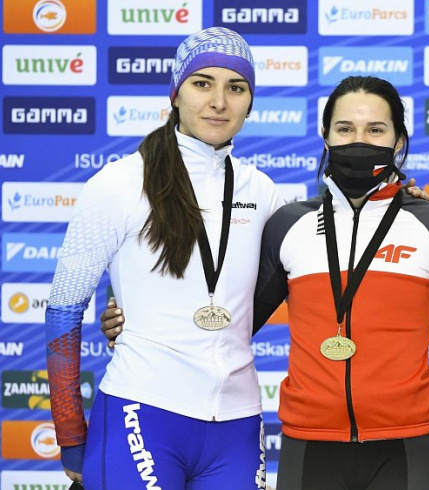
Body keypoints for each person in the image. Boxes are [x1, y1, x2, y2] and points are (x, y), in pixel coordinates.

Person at [99, 76, 429, 490]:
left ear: (399, 141)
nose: (359, 140)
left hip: (410, 443)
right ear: (325, 137)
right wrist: (139, 325)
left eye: (375, 129)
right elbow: (230, 321)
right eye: (345, 129)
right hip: (310, 447)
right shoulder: (289, 223)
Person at [45, 27, 282, 489]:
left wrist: (402, 202)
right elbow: (63, 312)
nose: (219, 101)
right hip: (143, 408)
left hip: (237, 422)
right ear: (175, 93)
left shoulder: (263, 191)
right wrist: (71, 435)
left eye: (236, 88)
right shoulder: (119, 183)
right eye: (202, 83)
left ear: (250, 102)